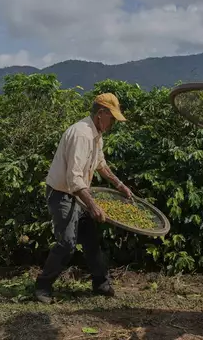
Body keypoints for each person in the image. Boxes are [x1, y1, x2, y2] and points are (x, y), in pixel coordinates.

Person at [34, 93, 133, 304]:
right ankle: (42, 287)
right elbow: (74, 178)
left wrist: (120, 184)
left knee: (91, 241)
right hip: (62, 194)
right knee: (67, 243)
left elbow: (101, 164)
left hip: (79, 193)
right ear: (100, 114)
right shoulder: (82, 134)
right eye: (112, 118)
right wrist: (93, 206)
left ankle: (101, 284)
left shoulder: (97, 134)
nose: (113, 122)